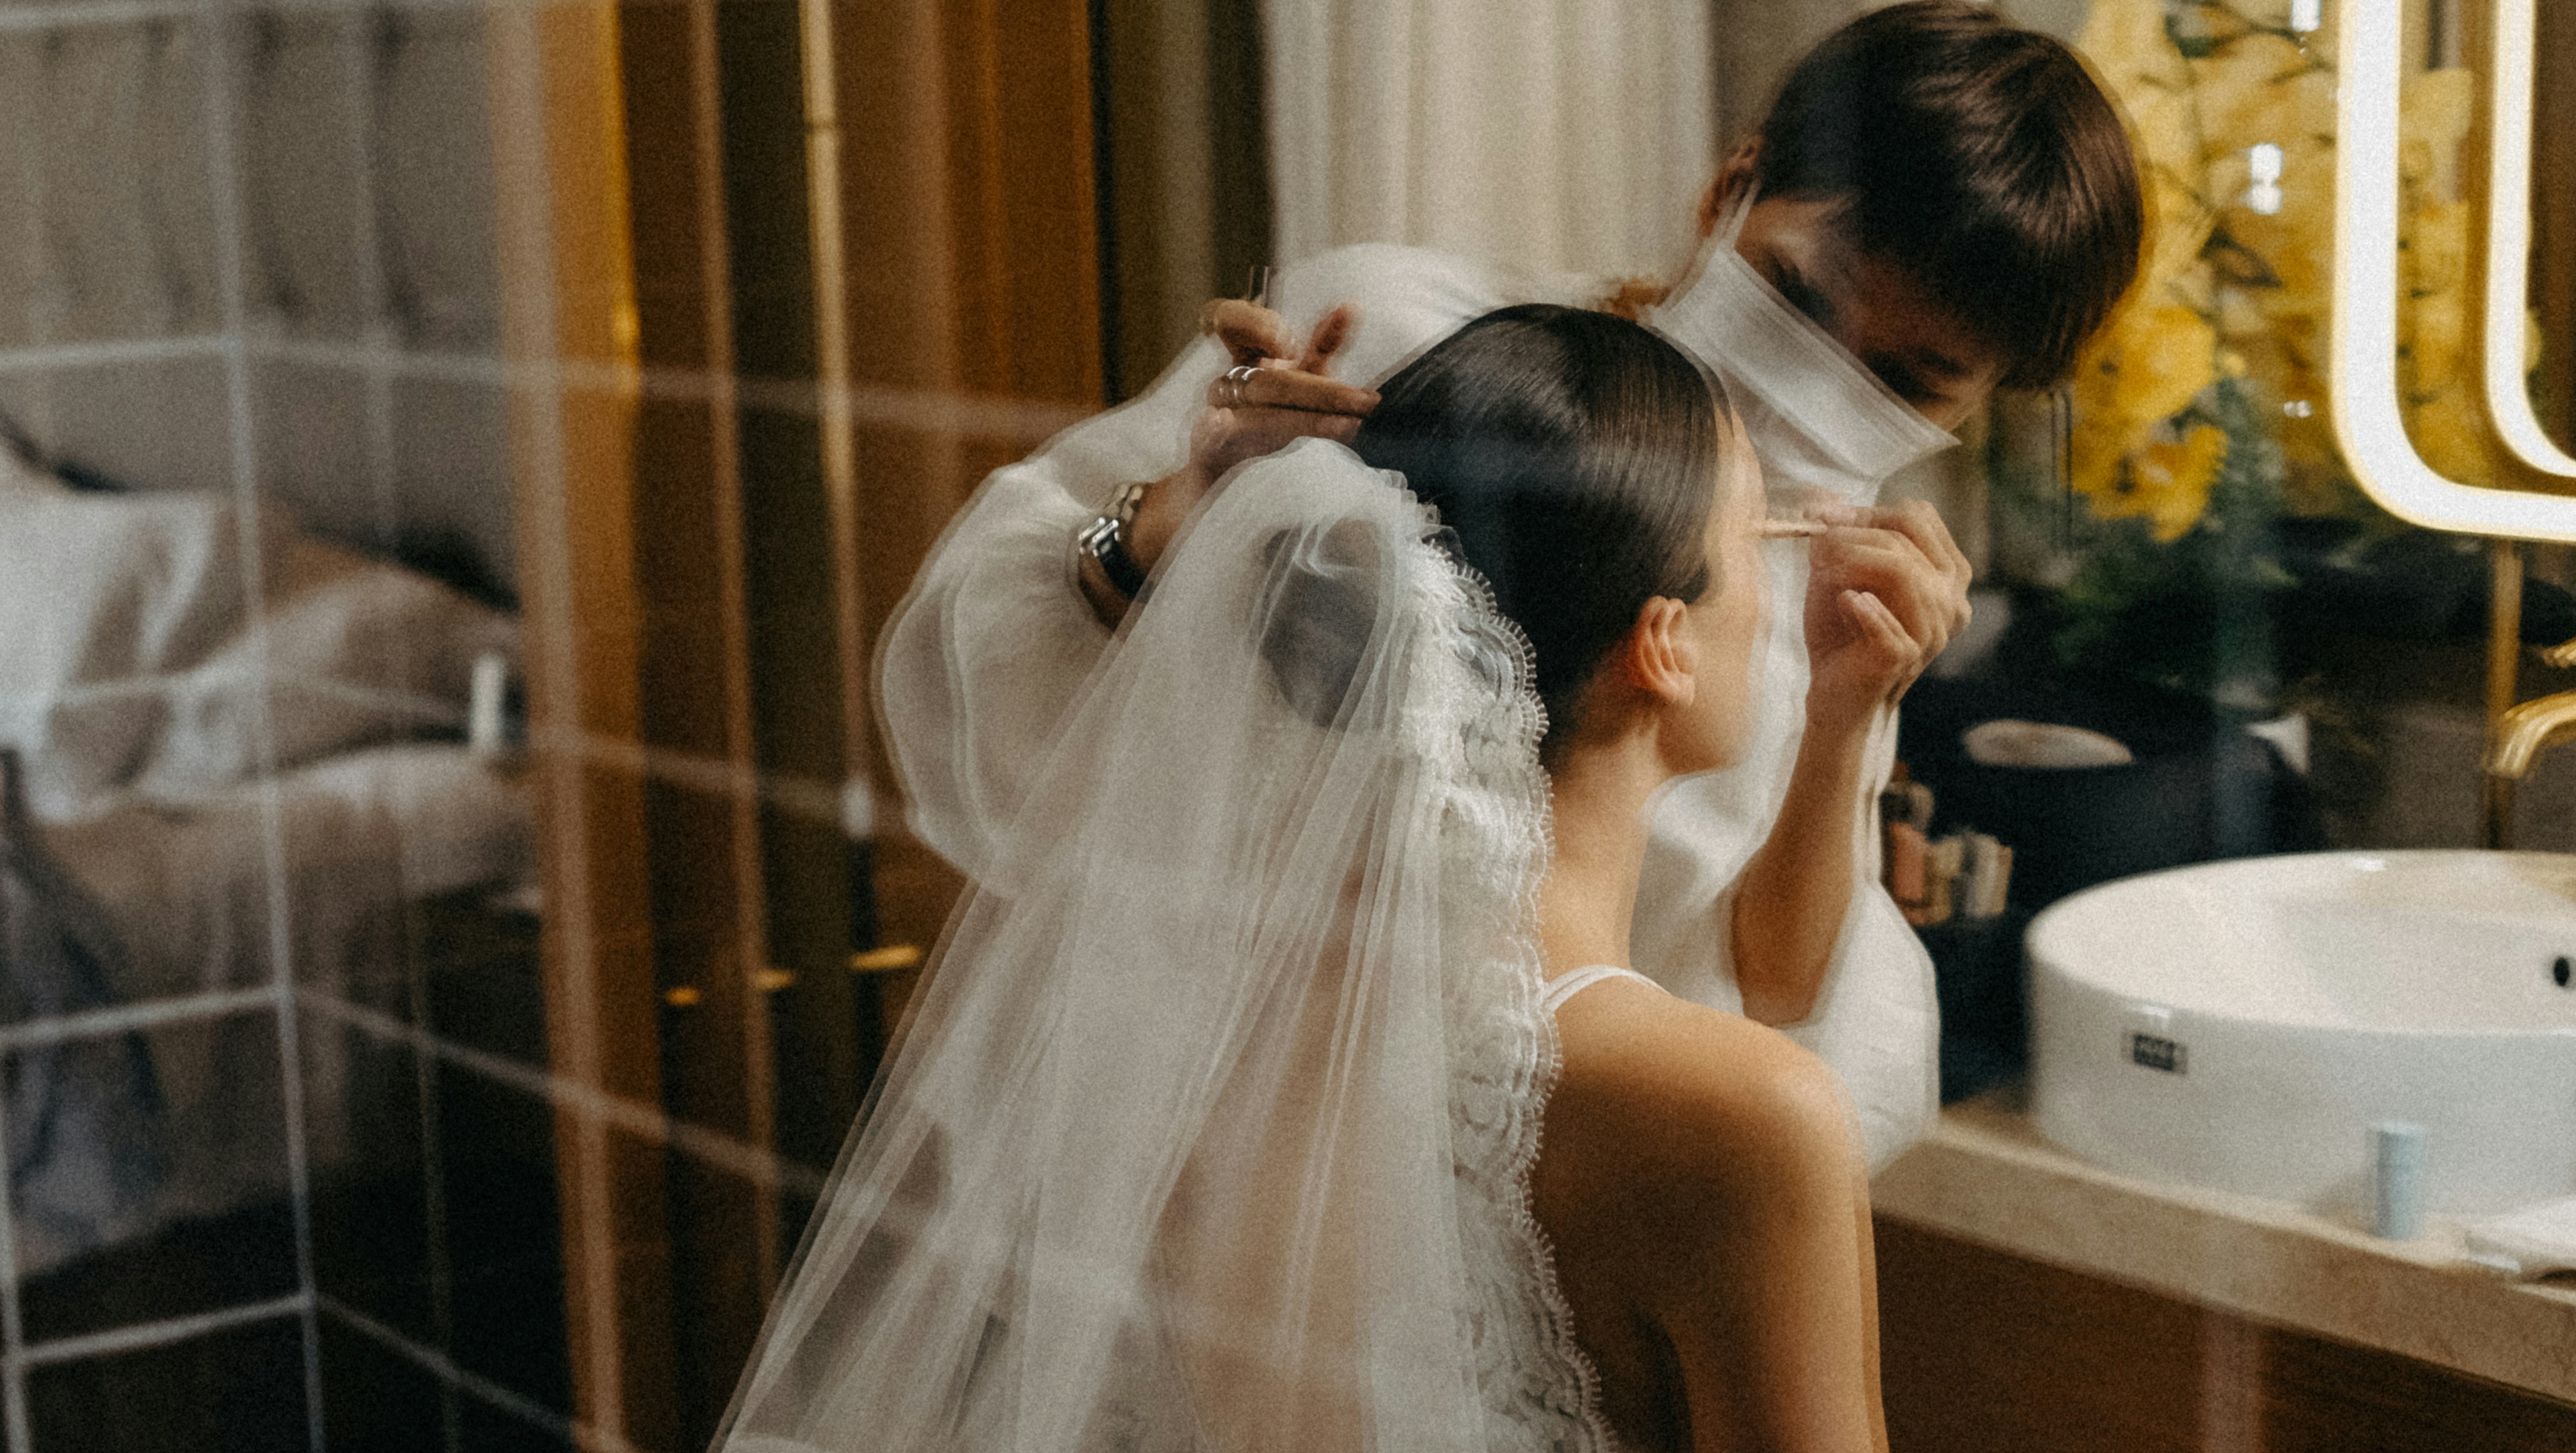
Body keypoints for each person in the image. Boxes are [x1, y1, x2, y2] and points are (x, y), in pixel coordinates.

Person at [711, 305, 2452, 1453]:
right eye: (1758, 546)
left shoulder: (1217, 1034)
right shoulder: (1727, 1118)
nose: (1784, 584)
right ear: (1666, 644)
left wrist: (1847, 724)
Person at [874, 1, 2142, 1169]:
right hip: (1176, 1123)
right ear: (1728, 190)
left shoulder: (1836, 596)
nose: (1818, 375)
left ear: (1978, 404)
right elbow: (977, 672)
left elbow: (1774, 993)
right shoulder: (1402, 346)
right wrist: (1182, 516)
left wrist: (1849, 713)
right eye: (1799, 293)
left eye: (1909, 380)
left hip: (1503, 1187)